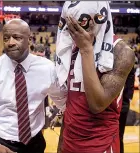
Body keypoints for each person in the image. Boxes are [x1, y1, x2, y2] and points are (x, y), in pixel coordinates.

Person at [0, 19, 67, 153]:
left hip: (35, 143)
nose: (10, 43)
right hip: (0, 142)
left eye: (17, 37)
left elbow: (63, 101)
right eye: (6, 38)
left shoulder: (47, 68)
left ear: (30, 39)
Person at [55, 1, 135, 153]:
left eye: (81, 22)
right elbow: (71, 103)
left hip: (101, 144)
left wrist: (86, 49)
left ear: (98, 18)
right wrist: (61, 144)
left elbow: (97, 105)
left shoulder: (121, 52)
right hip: (70, 142)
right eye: (71, 24)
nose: (75, 29)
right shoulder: (70, 46)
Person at [119, 67, 135, 153]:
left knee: (119, 135)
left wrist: (128, 96)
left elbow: (131, 75)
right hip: (109, 101)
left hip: (122, 102)